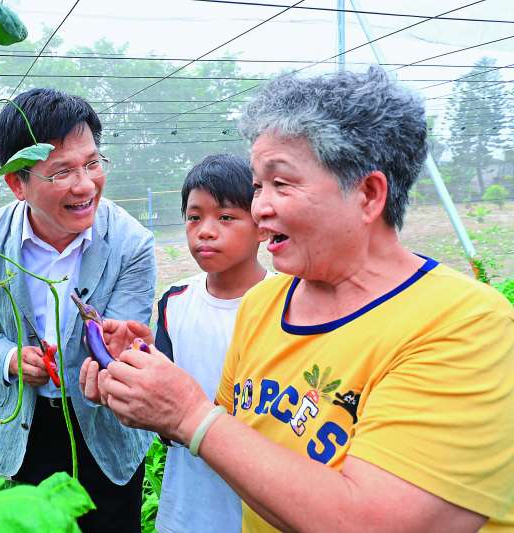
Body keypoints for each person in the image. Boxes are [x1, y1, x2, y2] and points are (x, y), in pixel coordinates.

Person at [82, 67, 514, 531]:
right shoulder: (263, 303)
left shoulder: (465, 326)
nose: (260, 207)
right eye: (257, 186)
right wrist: (147, 389)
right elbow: (239, 442)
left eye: (281, 184)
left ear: (368, 195)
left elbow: (376, 523)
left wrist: (189, 415)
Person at [0, 88, 155, 532]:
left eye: (93, 163)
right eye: (61, 172)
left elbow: (126, 344)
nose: (85, 185)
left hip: (106, 430)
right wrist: (6, 357)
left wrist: (120, 353)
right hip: (27, 429)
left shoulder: (131, 243)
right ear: (17, 183)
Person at [155, 154, 268, 533]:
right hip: (186, 505)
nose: (204, 230)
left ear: (262, 227)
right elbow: (163, 414)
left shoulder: (288, 304)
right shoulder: (174, 302)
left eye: (225, 217)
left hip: (259, 506)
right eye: (194, 217)